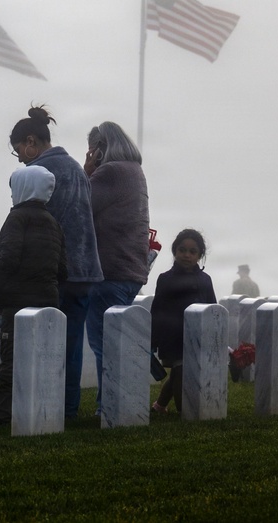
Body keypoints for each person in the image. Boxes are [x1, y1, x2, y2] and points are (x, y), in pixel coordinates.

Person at [9, 105, 103, 418]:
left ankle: (47, 407)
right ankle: (69, 408)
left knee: (47, 344)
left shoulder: (39, 174)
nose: (20, 157)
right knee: (72, 345)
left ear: (31, 141)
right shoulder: (75, 167)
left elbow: (31, 224)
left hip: (55, 271)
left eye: (18, 149)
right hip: (87, 268)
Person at [0, 165, 67, 425]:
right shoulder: (53, 222)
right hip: (47, 301)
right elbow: (62, 269)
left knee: (11, 359)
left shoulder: (18, 218)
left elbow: (8, 258)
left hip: (16, 303)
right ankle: (41, 410)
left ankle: (4, 415)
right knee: (41, 359)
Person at [83, 121, 151, 414]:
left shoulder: (109, 172)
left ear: (99, 150)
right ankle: (120, 401)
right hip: (131, 270)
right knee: (117, 342)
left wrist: (86, 172)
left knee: (103, 343)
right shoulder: (135, 171)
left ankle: (108, 406)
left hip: (108, 271)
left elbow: (80, 204)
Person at [150, 229, 217, 413]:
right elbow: (158, 308)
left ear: (199, 255)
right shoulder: (165, 279)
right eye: (182, 250)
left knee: (179, 372)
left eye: (192, 251)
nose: (186, 255)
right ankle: (183, 410)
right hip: (173, 337)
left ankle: (159, 406)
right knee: (180, 370)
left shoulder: (205, 280)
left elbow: (212, 307)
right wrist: (153, 340)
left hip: (198, 335)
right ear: (175, 251)